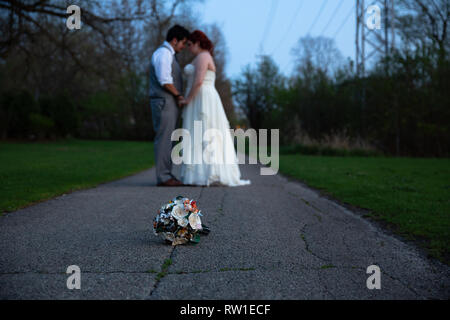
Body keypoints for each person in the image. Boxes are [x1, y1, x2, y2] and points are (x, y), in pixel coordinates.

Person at [179, 30, 251, 187]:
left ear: (197, 43)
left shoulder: (203, 56)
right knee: (200, 132)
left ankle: (211, 172)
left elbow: (198, 81)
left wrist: (187, 100)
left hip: (203, 97)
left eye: (190, 44)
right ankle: (200, 173)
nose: (188, 47)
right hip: (201, 96)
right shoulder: (201, 57)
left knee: (206, 132)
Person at [150, 25, 190, 187]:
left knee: (169, 139)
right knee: (164, 139)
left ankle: (167, 174)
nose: (184, 46)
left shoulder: (169, 54)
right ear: (174, 40)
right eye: (183, 43)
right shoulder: (163, 54)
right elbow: (165, 80)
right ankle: (163, 177)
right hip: (164, 101)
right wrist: (179, 95)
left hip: (167, 101)